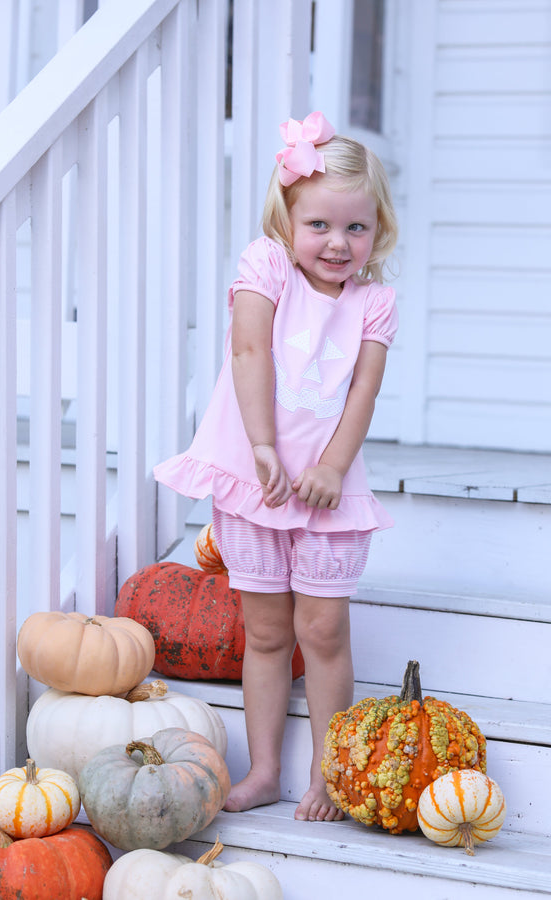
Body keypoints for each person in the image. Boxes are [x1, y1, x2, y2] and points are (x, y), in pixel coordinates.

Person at [154, 111, 399, 822]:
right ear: (286, 220)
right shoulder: (266, 268)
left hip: (326, 492)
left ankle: (327, 775)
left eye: (356, 228)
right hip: (255, 482)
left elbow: (364, 391)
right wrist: (262, 445)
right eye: (319, 224)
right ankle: (263, 769)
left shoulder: (373, 305)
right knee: (264, 633)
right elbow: (250, 352)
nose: (337, 242)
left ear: (377, 232)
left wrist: (333, 464)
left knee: (321, 632)